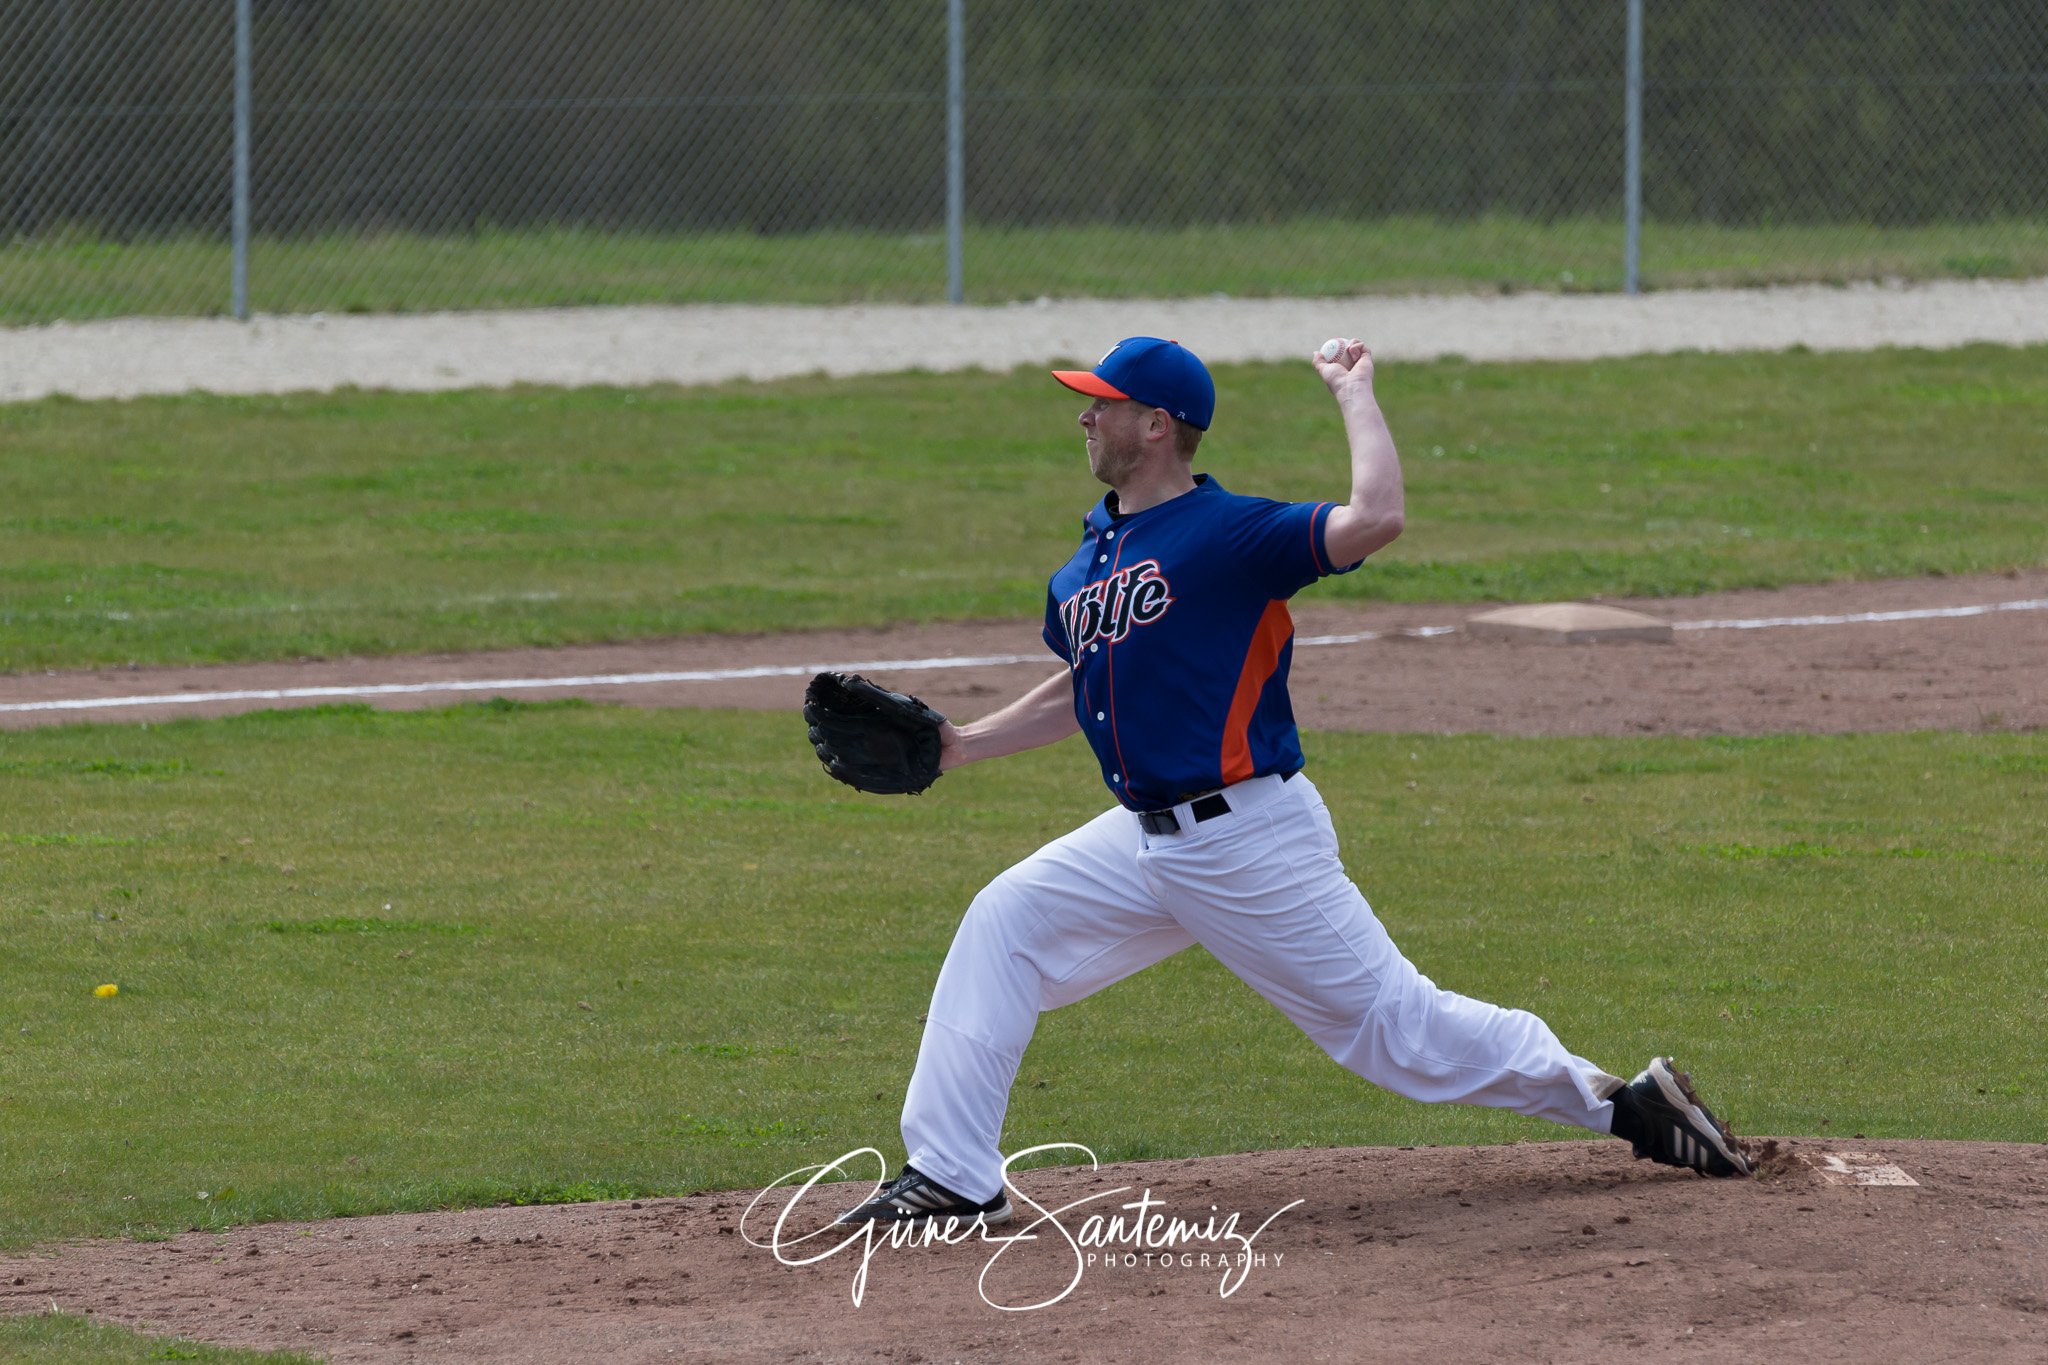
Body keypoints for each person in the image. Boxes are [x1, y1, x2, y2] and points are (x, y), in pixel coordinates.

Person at [838, 336, 1750, 1227]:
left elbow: (1375, 519)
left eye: (1102, 403)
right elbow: (1088, 679)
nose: (1084, 413)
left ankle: (1626, 1105)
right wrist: (963, 744)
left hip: (1247, 840)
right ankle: (954, 1172)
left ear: (1157, 426)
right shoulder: (1087, 562)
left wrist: (1355, 393)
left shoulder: (1230, 532)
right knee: (1005, 921)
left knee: (1397, 1030)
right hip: (1143, 840)